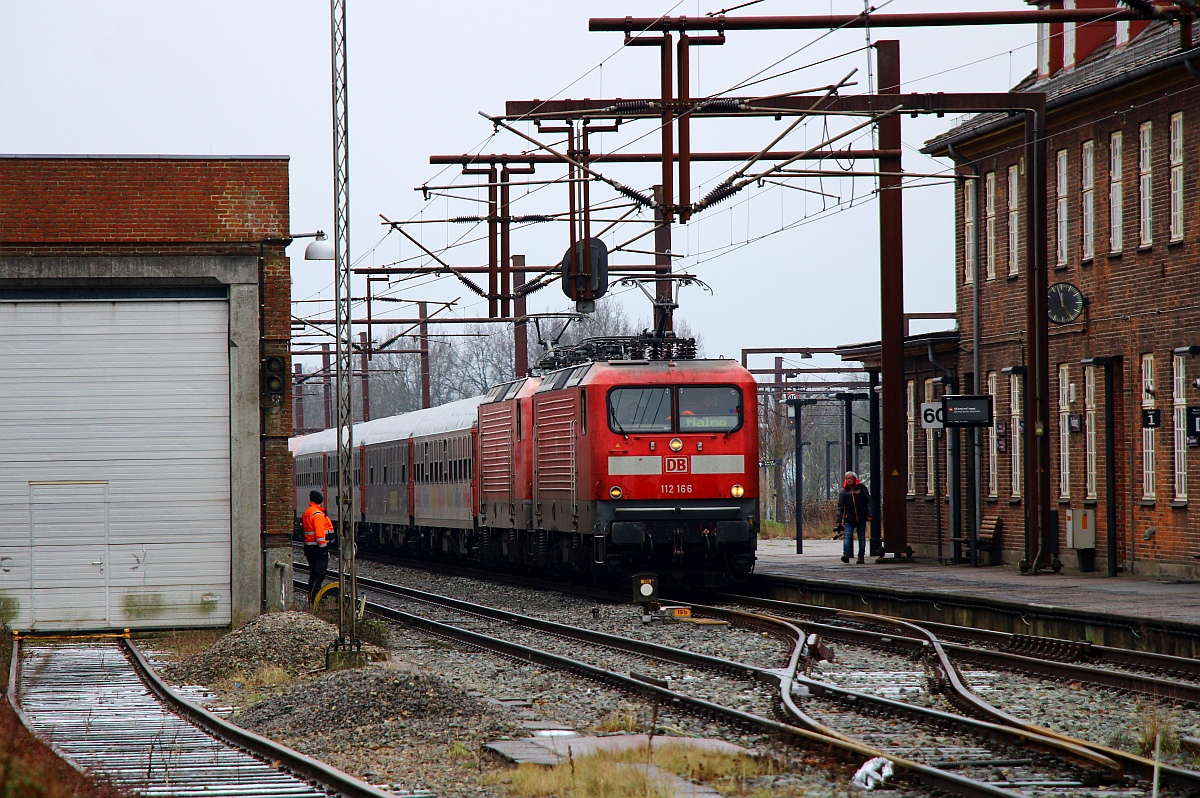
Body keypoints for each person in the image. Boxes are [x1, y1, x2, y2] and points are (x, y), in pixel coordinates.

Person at [301, 490, 333, 602]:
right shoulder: (317, 514)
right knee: (319, 574)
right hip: (318, 549)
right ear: (321, 501)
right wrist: (324, 548)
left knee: (313, 574)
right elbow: (319, 534)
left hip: (309, 547)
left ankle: (312, 598)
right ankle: (316, 599)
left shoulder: (307, 512)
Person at [834, 471, 871, 564]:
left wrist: (870, 514)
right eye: (847, 478)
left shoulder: (861, 488)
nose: (849, 480)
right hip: (848, 518)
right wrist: (838, 520)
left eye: (850, 478)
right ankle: (846, 554)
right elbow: (840, 507)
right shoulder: (843, 491)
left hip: (861, 517)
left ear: (855, 479)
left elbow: (869, 501)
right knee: (847, 536)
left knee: (861, 537)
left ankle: (861, 556)